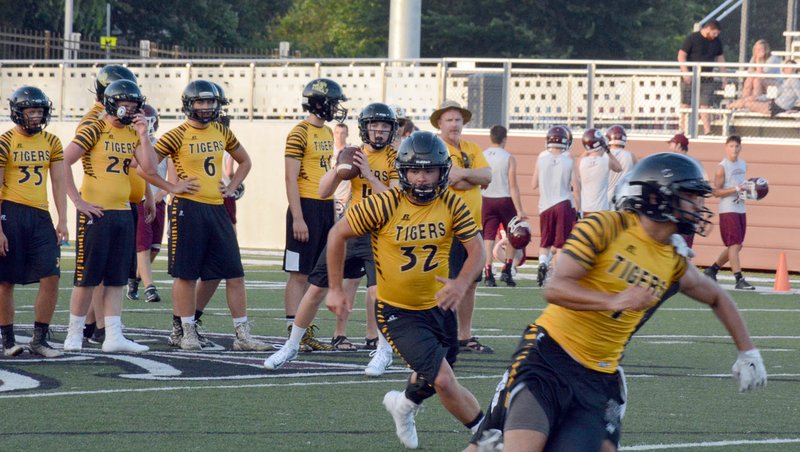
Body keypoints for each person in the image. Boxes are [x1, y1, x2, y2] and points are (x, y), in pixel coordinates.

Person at [467, 152, 766, 452]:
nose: (700, 206)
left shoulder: (672, 258)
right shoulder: (606, 226)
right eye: (689, 196)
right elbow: (555, 288)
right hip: (548, 358)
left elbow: (716, 296)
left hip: (598, 377)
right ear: (656, 197)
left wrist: (748, 351)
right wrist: (615, 299)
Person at [325, 131, 486, 449]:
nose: (423, 179)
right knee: (442, 379)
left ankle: (404, 405)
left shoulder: (451, 201)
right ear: (403, 171)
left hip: (440, 306)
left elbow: (477, 249)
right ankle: (489, 433)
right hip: (397, 310)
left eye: (430, 171)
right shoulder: (385, 204)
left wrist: (462, 282)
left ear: (442, 172)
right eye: (415, 170)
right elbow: (336, 235)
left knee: (437, 371)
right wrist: (334, 288)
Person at [265, 102, 400, 374]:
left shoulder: (396, 158)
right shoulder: (352, 153)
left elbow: (395, 197)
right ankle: (291, 345)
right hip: (351, 227)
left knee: (378, 292)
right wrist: (340, 170)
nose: (379, 132)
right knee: (315, 288)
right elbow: (324, 190)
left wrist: (370, 176)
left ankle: (384, 351)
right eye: (374, 126)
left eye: (385, 127)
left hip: (381, 233)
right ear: (364, 128)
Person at [62, 80, 193, 353]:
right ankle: (73, 335)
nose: (130, 109)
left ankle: (113, 335)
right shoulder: (95, 128)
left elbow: (147, 167)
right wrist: (78, 201)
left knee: (116, 278)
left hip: (123, 211)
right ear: (111, 102)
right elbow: (63, 161)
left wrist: (144, 135)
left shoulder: (132, 133)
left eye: (134, 105)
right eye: (125, 104)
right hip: (96, 213)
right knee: (87, 278)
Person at [154, 80, 271, 351]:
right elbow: (143, 165)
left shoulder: (221, 131)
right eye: (200, 102)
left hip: (217, 207)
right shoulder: (176, 134)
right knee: (186, 274)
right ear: (188, 104)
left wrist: (231, 186)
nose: (206, 107)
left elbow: (245, 161)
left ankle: (242, 335)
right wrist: (172, 187)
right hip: (188, 208)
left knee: (233, 272)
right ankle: (186, 331)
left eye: (210, 102)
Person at [0, 86, 68, 357]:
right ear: (18, 113)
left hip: (41, 215)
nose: (36, 117)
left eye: (40, 111)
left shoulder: (52, 142)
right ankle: (7, 340)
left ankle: (39, 340)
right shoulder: (5, 142)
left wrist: (63, 219)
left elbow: (59, 183)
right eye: (31, 111)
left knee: (51, 276)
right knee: (5, 281)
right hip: (11, 212)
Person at [282, 78, 348, 351]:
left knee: (315, 274)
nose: (336, 108)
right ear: (319, 103)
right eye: (332, 102)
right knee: (299, 274)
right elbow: (290, 178)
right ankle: (293, 331)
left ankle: (304, 329)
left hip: (323, 207)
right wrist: (298, 217)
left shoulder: (325, 133)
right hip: (305, 207)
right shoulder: (299, 132)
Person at [80, 64, 139, 345]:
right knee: (99, 273)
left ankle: (94, 326)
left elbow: (138, 163)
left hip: (125, 201)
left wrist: (148, 195)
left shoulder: (128, 123)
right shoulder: (95, 120)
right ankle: (99, 327)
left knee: (116, 272)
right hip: (103, 203)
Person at [430, 100, 493, 354]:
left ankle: (463, 335)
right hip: (448, 227)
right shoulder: (437, 147)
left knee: (471, 283)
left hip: (473, 226)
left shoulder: (472, 147)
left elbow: (487, 176)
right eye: (449, 120)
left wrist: (466, 176)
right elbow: (449, 179)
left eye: (458, 120)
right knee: (447, 282)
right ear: (439, 124)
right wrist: (472, 177)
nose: (454, 124)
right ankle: (442, 335)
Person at [703, 135, 756, 290]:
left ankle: (712, 270)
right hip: (728, 209)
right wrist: (735, 189)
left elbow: (742, 186)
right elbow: (716, 192)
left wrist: (749, 191)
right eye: (731, 146)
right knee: (734, 244)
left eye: (737, 146)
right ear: (726, 147)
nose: (734, 149)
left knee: (738, 246)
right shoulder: (722, 167)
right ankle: (739, 278)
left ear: (740, 148)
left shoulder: (743, 164)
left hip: (740, 208)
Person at [531, 125, 578, 287]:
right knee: (561, 245)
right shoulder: (569, 159)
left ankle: (542, 264)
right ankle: (557, 276)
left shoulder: (541, 157)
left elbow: (533, 184)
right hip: (563, 203)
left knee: (545, 243)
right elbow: (576, 187)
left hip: (545, 205)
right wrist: (578, 208)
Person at [480, 125, 527, 287]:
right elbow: (513, 185)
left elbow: (480, 180)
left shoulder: (482, 155)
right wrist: (520, 209)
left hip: (486, 199)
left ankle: (487, 271)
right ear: (504, 139)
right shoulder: (508, 157)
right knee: (513, 234)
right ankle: (507, 268)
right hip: (505, 199)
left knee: (488, 237)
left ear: (491, 137)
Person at [133, 104, 167, 303]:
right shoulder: (133, 146)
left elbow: (174, 176)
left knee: (155, 248)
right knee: (143, 247)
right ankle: (149, 287)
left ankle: (136, 277)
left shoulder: (164, 145)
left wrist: (162, 193)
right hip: (141, 200)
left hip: (160, 201)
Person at [678, 19, 725, 135]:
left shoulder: (717, 42)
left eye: (717, 34)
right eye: (714, 33)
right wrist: (685, 73)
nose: (715, 36)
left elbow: (720, 59)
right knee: (686, 103)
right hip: (690, 77)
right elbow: (681, 55)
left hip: (707, 78)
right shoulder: (692, 38)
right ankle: (682, 130)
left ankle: (707, 130)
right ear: (708, 29)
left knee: (705, 104)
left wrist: (725, 78)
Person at [575, 128, 622, 216]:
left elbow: (578, 161)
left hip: (586, 209)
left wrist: (589, 147)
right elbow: (619, 168)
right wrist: (608, 152)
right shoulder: (606, 161)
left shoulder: (581, 162)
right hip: (602, 210)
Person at [727, 59, 800, 115]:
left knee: (747, 104)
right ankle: (729, 107)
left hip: (777, 108)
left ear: (795, 69)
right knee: (749, 99)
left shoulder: (794, 80)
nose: (787, 69)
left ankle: (728, 108)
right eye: (786, 67)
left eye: (790, 67)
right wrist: (758, 98)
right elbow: (776, 94)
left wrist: (795, 110)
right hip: (774, 104)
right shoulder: (787, 81)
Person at [605, 125, 638, 205]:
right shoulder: (631, 155)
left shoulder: (603, 155)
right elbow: (638, 175)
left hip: (605, 198)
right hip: (623, 197)